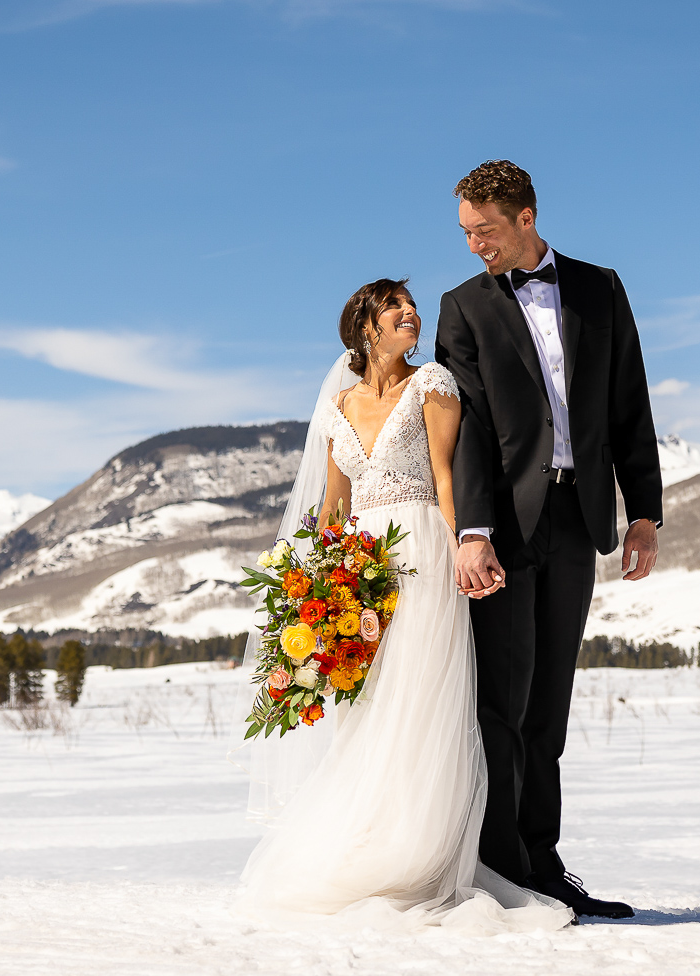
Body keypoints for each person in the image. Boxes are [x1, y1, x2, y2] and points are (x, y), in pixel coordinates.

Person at [236, 279, 572, 934]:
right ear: (365, 325)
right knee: (369, 707)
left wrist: (467, 553)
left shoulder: (434, 384)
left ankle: (424, 854)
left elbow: (450, 478)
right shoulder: (338, 405)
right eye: (394, 306)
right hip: (362, 567)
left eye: (410, 305)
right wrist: (316, 593)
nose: (409, 314)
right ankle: (368, 839)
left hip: (421, 551)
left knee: (423, 699)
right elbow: (332, 507)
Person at [435, 159, 662, 920]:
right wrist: (472, 531)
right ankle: (502, 872)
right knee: (501, 702)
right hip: (501, 527)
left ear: (525, 217)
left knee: (549, 708)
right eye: (465, 232)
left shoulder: (601, 289)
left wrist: (644, 511)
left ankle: (544, 863)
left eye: (485, 231)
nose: (474, 246)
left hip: (580, 518)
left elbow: (629, 402)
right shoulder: (462, 307)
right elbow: (463, 430)